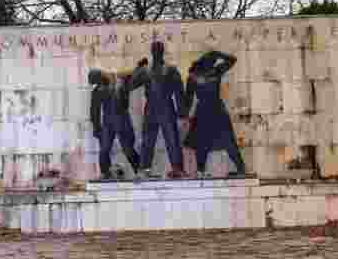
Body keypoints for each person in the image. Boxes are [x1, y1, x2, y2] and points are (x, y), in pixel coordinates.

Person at [183, 50, 247, 177]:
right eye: (212, 61)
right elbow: (232, 59)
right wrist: (218, 54)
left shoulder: (201, 75)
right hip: (213, 110)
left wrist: (217, 54)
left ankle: (239, 168)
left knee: (221, 141)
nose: (212, 64)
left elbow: (233, 60)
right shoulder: (213, 72)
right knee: (205, 142)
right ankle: (202, 170)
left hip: (210, 110)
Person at [129, 41, 186, 178]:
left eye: (158, 49)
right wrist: (137, 69)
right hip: (151, 107)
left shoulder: (171, 69)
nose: (156, 52)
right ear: (151, 51)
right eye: (154, 49)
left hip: (166, 105)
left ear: (162, 51)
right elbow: (131, 84)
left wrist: (181, 111)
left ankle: (177, 168)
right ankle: (144, 169)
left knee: (172, 138)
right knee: (148, 139)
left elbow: (179, 90)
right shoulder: (145, 70)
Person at [88, 67, 142, 179]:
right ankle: (105, 172)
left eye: (97, 82)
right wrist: (97, 128)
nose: (98, 85)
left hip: (122, 120)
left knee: (128, 149)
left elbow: (133, 78)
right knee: (104, 149)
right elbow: (94, 111)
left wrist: (123, 77)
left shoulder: (120, 84)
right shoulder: (97, 91)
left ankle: (139, 170)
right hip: (109, 122)